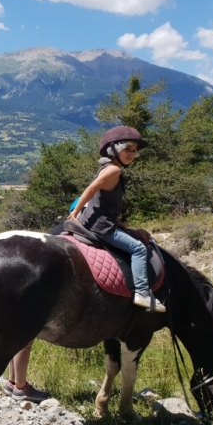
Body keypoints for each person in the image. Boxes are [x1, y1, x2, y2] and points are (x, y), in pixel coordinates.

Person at [67, 125, 165, 312]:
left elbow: (101, 203)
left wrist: (120, 224)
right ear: (115, 149)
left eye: (134, 151)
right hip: (102, 226)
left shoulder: (107, 168)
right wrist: (75, 212)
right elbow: (91, 189)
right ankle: (142, 293)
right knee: (138, 249)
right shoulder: (114, 171)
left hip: (100, 221)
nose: (131, 154)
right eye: (127, 148)